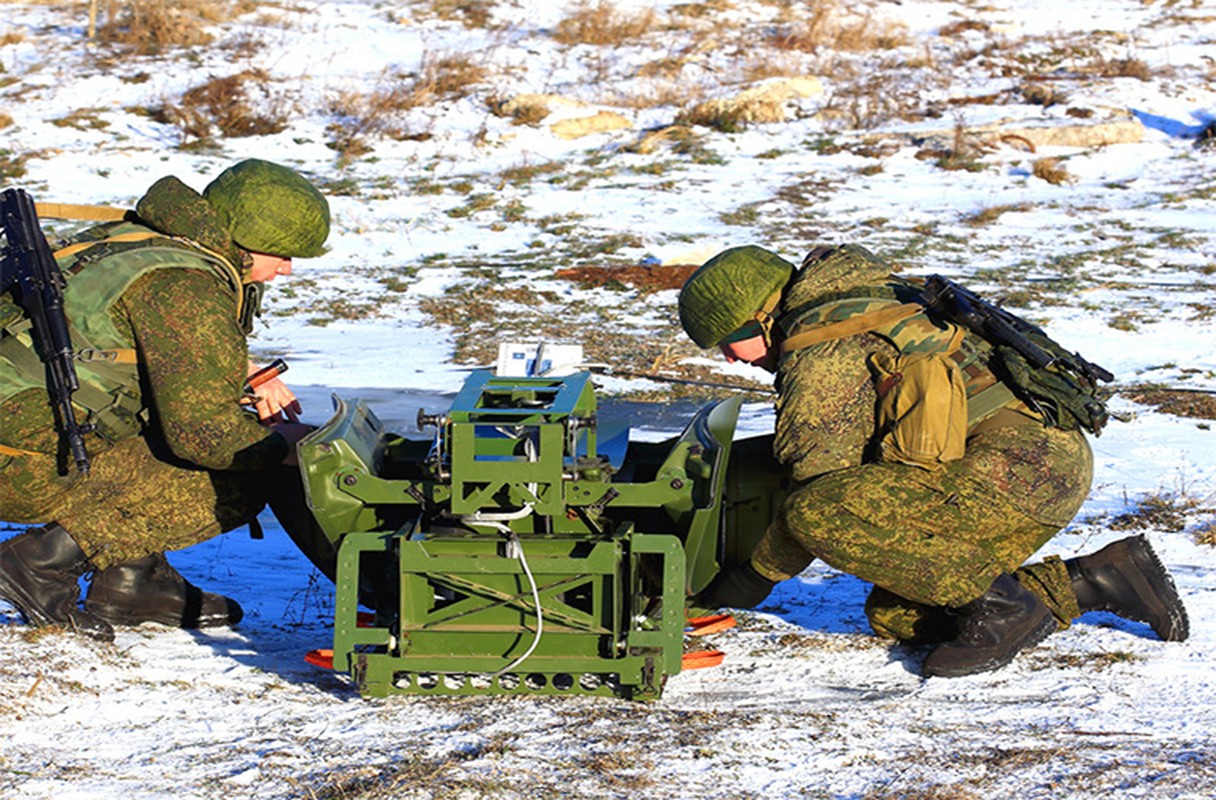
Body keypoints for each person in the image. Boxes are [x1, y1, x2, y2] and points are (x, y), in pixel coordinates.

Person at [678, 244, 1190, 677]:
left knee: (818, 512)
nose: (729, 358)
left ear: (760, 317)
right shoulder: (868, 295)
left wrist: (755, 576)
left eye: (728, 342)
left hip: (1014, 473)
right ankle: (1103, 577)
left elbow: (819, 491)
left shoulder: (819, 346)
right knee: (897, 612)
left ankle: (1004, 607)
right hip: (1046, 467)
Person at [0, 159, 332, 642]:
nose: (285, 268)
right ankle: (39, 563)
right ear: (244, 239)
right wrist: (284, 446)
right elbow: (205, 435)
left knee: (181, 423)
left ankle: (132, 583)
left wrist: (245, 371)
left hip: (21, 431)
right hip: (23, 465)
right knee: (241, 464)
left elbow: (128, 342)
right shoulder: (186, 286)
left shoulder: (144, 240)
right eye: (280, 253)